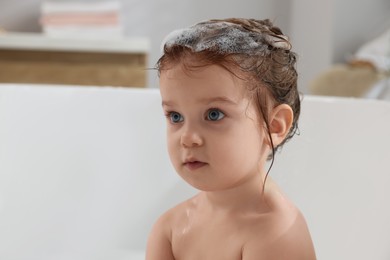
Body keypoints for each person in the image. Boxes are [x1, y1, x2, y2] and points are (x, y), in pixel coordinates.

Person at [146, 18, 316, 259]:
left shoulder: (275, 233)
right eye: (175, 116)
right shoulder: (170, 228)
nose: (188, 138)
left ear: (274, 126)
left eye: (214, 115)